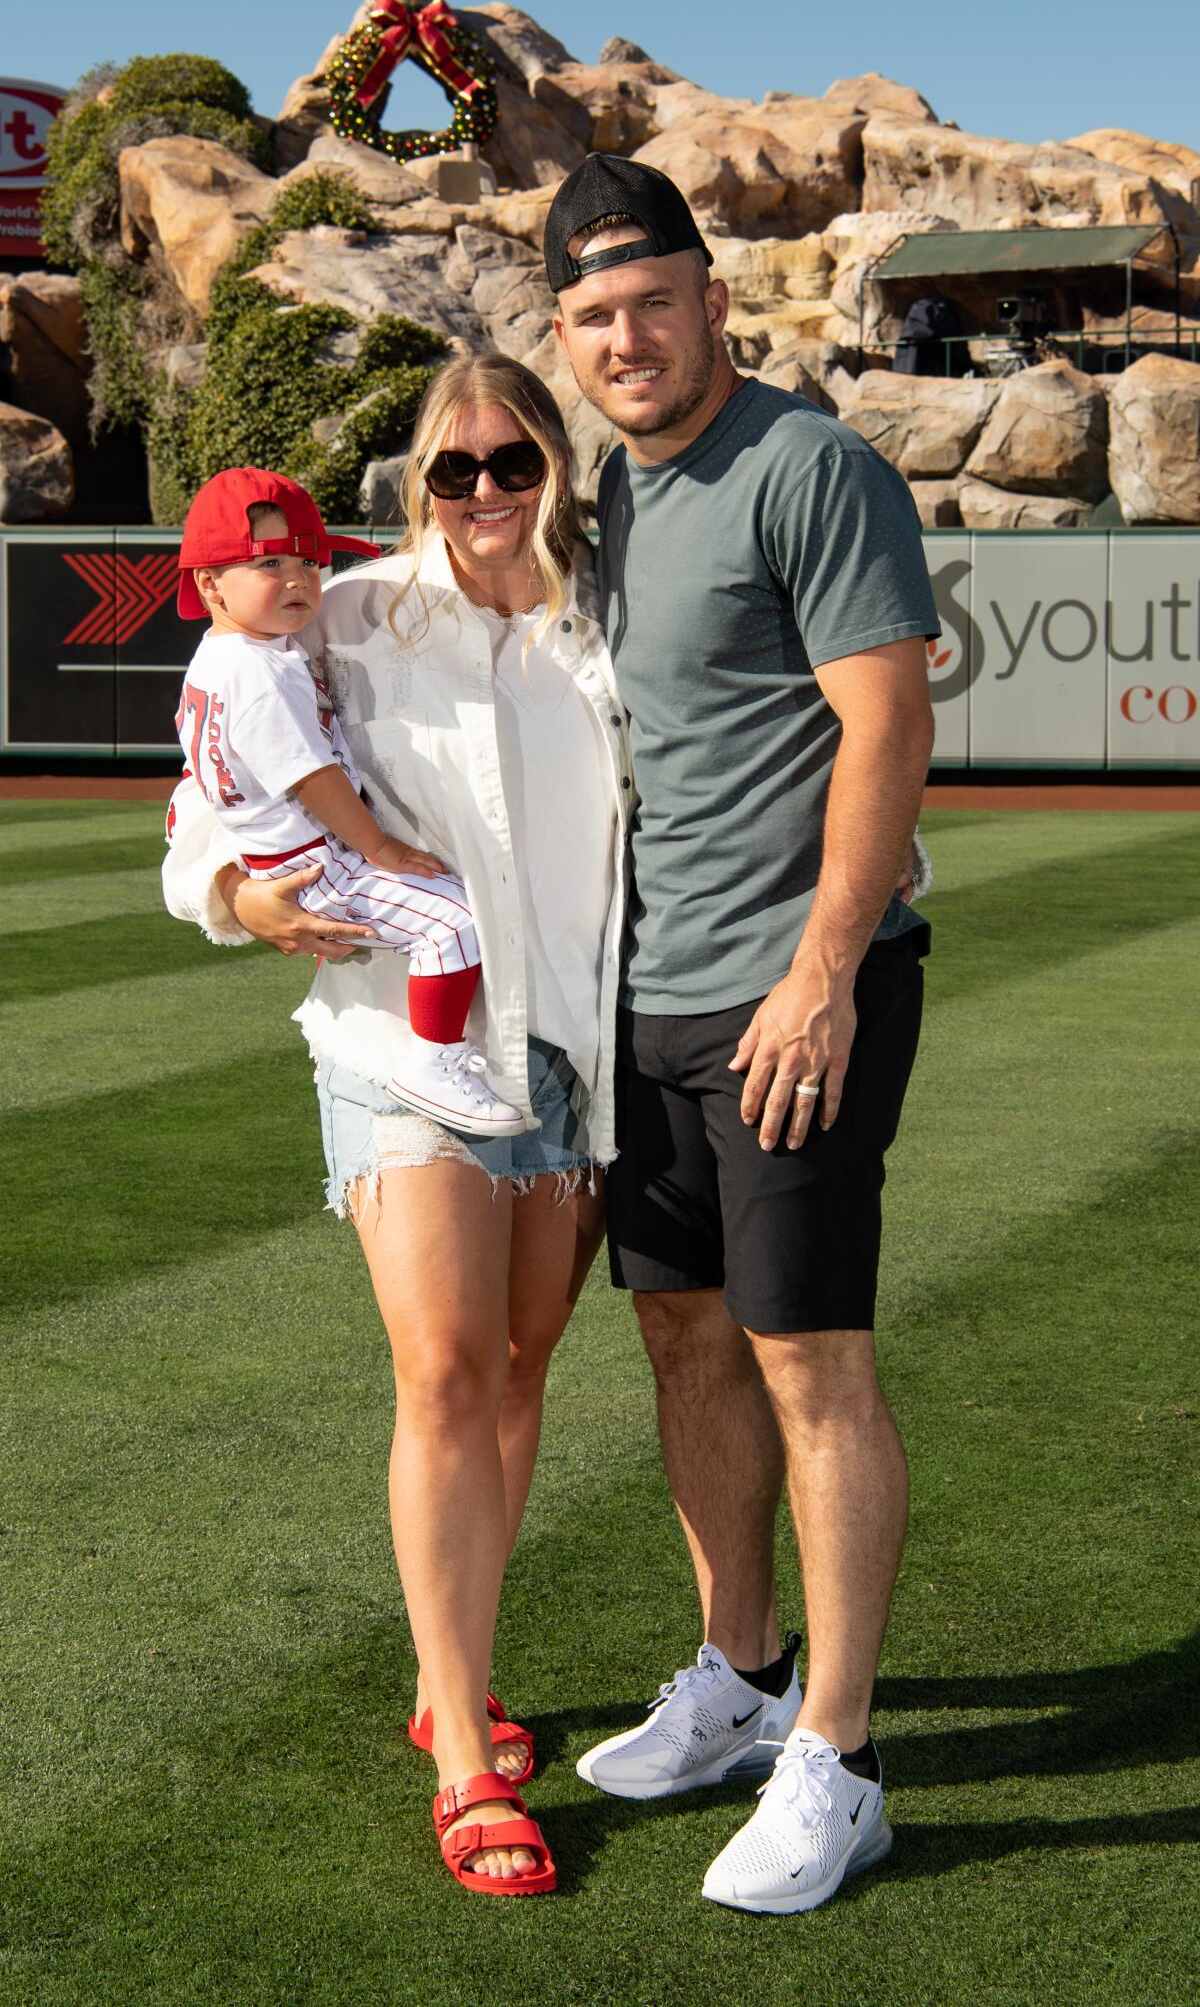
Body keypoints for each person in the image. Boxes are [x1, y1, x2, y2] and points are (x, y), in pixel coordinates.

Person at [162, 352, 632, 1897]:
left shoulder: (603, 629)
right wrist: (234, 896)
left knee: (515, 1365)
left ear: (555, 469)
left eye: (515, 464)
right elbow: (197, 816)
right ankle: (454, 1759)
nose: (487, 493)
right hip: (398, 1045)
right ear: (417, 482)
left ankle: (457, 1668)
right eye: (456, 468)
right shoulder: (344, 616)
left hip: (564, 1058)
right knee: (438, 1368)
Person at [546, 154, 939, 1915]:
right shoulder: (608, 497)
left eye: (651, 301)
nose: (626, 339)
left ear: (713, 297)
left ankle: (837, 1759)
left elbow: (886, 729)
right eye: (590, 317)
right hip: (650, 1003)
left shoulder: (809, 464)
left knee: (812, 1364)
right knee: (686, 1346)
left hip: (797, 1000)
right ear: (563, 340)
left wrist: (825, 966)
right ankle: (740, 1670)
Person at [174, 466, 522, 1135]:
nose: (300, 578)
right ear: (209, 582)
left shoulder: (219, 660)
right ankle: (434, 1061)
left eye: (310, 559)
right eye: (269, 561)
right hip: (316, 862)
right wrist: (382, 848)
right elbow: (313, 778)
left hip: (281, 856)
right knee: (452, 923)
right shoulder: (257, 669)